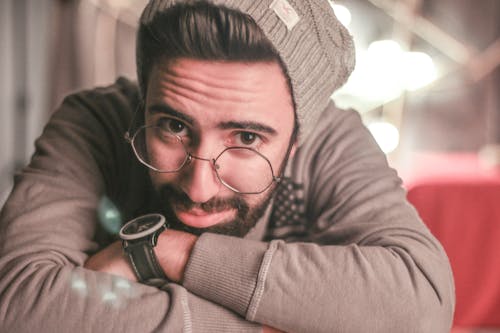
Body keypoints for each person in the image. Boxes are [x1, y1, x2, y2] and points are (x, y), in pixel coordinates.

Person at [0, 0, 455, 332]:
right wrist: (288, 321)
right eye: (174, 126)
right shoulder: (94, 121)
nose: (198, 189)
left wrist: (161, 251)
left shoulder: (333, 140)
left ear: (298, 138)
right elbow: (19, 304)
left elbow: (421, 304)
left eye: (247, 138)